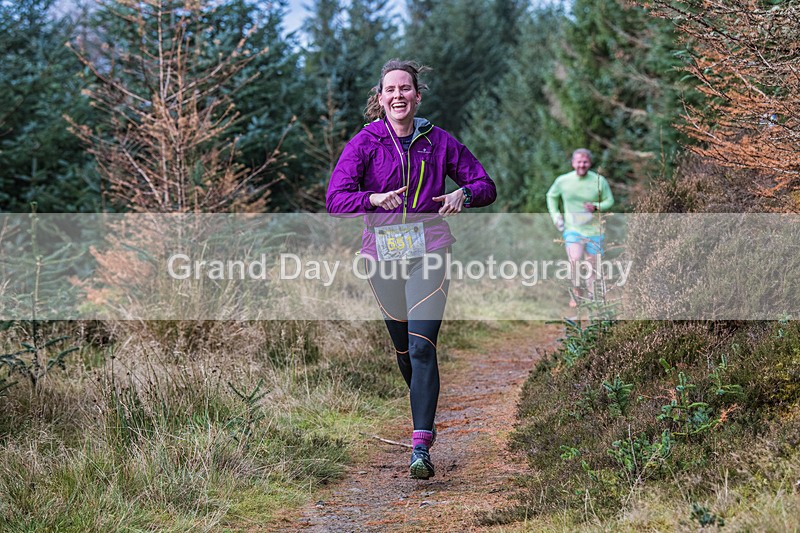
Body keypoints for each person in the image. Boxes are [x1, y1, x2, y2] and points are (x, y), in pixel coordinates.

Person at [326, 59, 496, 479]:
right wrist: (372, 199)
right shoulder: (365, 143)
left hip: (430, 249)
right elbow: (335, 199)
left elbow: (485, 185)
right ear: (380, 98)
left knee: (422, 347)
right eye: (391, 90)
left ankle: (421, 444)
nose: (398, 95)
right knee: (404, 349)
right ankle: (423, 400)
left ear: (417, 96)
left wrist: (464, 196)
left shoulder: (437, 141)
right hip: (381, 255)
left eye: (406, 88)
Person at [546, 148, 614, 308]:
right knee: (575, 260)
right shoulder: (563, 181)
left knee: (592, 264)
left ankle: (592, 296)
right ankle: (577, 293)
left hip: (594, 229)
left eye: (585, 162)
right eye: (578, 162)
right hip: (572, 228)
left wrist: (596, 206)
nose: (581, 165)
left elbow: (609, 201)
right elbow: (551, 196)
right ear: (573, 163)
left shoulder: (599, 180)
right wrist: (556, 216)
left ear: (589, 163)